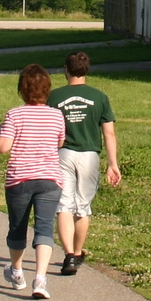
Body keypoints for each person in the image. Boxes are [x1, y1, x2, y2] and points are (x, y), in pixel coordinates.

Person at [48, 51, 122, 276]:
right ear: (87, 70)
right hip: (89, 154)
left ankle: (69, 254)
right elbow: (109, 133)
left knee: (64, 206)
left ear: (66, 70)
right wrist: (112, 163)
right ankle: (78, 252)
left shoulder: (54, 97)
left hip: (63, 154)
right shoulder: (99, 97)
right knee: (82, 207)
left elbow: (48, 129)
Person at [0, 64, 64, 300]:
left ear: (22, 90)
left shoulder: (15, 114)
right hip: (50, 178)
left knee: (18, 227)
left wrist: (0, 132)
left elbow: (3, 148)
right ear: (47, 90)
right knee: (44, 228)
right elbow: (60, 143)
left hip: (20, 179)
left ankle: (16, 272)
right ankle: (41, 278)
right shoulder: (57, 115)